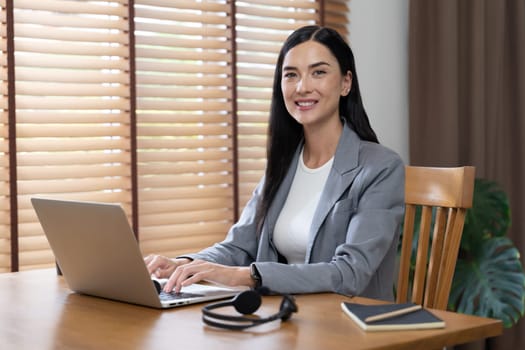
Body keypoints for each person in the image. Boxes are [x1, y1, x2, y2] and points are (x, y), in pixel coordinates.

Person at [145, 25, 405, 301]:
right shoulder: (283, 165)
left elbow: (350, 273)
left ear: (345, 83)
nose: (302, 87)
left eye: (319, 72)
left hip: (350, 329)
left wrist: (247, 276)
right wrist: (184, 263)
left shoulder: (380, 167)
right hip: (291, 320)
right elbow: (239, 246)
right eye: (291, 75)